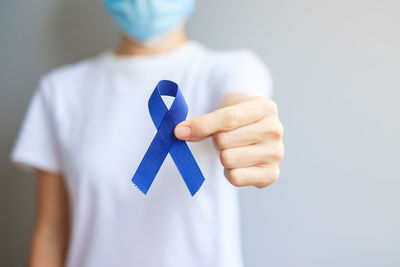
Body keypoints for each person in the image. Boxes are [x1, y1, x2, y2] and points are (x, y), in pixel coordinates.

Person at [11, 0, 284, 266]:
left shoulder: (231, 69)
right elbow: (50, 236)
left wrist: (251, 132)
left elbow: (242, 106)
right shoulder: (59, 91)